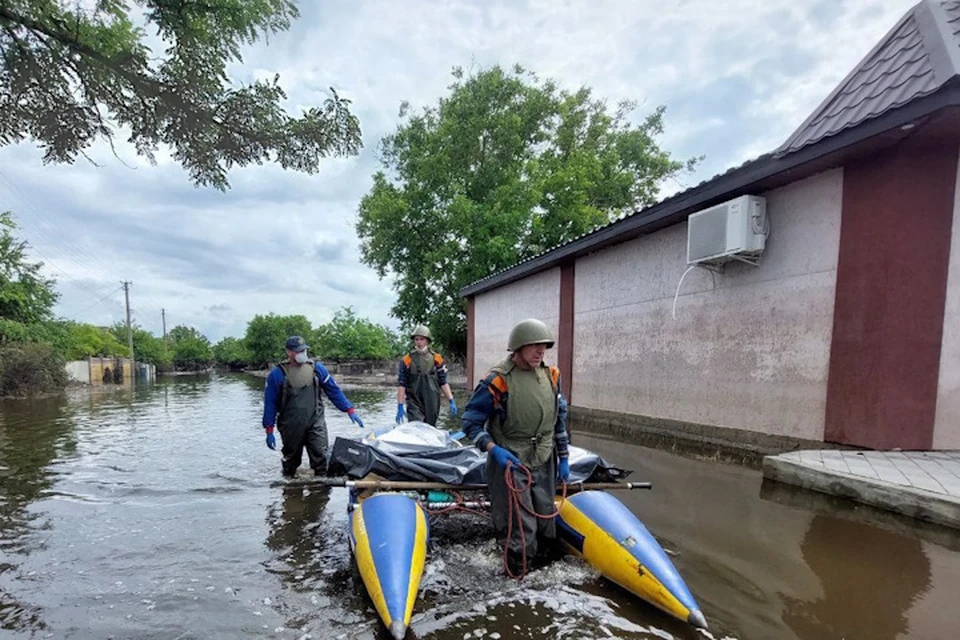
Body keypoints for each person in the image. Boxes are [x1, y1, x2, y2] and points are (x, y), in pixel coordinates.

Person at [460, 318, 569, 577]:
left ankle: (542, 579)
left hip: (544, 456)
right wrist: (492, 449)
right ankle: (516, 576)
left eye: (543, 346)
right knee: (520, 528)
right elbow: (470, 423)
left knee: (545, 520)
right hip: (511, 460)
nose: (540, 351)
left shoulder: (552, 376)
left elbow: (559, 416)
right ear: (518, 348)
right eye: (533, 346)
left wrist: (563, 456)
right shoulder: (497, 380)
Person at [262, 335, 364, 477]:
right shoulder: (277, 374)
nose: (303, 353)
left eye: (304, 350)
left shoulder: (317, 369)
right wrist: (269, 429)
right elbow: (270, 404)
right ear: (289, 352)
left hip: (315, 421)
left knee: (321, 458)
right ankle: (290, 492)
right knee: (291, 462)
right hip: (291, 425)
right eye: (298, 351)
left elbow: (333, 390)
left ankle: (321, 493)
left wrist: (349, 409)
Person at [396, 325, 458, 426]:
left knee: (430, 427)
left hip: (432, 401)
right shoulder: (407, 360)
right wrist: (400, 404)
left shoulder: (437, 358)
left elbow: (443, 382)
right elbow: (401, 383)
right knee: (416, 426)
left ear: (427, 341)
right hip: (414, 401)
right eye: (416, 339)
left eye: (422, 339)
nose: (419, 342)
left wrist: (451, 400)